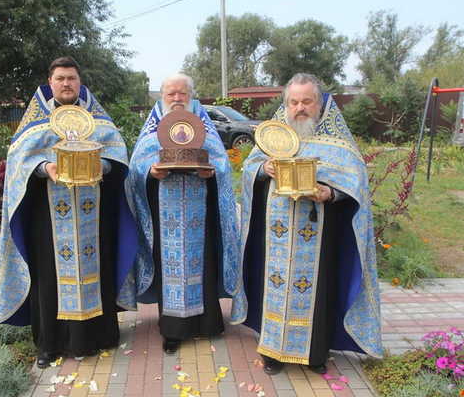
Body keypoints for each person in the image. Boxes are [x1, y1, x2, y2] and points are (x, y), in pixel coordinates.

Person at [0, 57, 137, 368]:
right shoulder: (35, 123)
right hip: (48, 216)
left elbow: (117, 153)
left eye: (71, 78)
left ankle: (97, 338)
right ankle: (50, 345)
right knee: (49, 277)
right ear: (51, 83)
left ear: (79, 82)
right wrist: (45, 167)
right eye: (60, 78)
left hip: (93, 214)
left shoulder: (97, 121)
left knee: (96, 271)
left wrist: (102, 165)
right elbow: (19, 161)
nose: (66, 83)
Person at [241, 73, 383, 375]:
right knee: (274, 289)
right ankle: (273, 353)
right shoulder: (274, 137)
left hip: (318, 233)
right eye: (293, 102)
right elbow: (249, 168)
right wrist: (264, 167)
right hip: (275, 235)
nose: (300, 108)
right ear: (286, 105)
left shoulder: (338, 143)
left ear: (320, 103)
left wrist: (330, 193)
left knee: (318, 291)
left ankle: (315, 353)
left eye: (307, 101)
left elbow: (355, 184)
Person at [118, 73, 247, 354]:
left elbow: (222, 166)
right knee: (170, 270)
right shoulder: (152, 129)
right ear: (162, 97)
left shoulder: (204, 126)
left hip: (201, 212)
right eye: (171, 94)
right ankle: (173, 331)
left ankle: (208, 323)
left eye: (182, 94)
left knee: (204, 262)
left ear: (191, 96)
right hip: (165, 215)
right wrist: (151, 173)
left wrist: (211, 173)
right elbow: (137, 168)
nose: (177, 99)